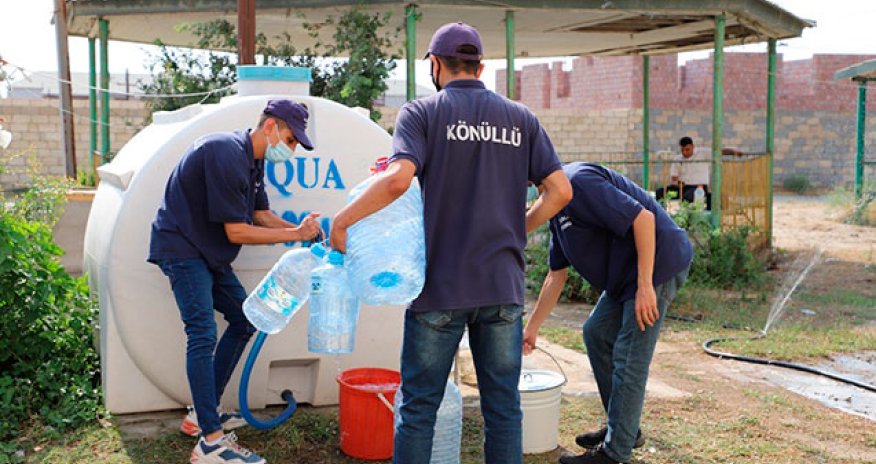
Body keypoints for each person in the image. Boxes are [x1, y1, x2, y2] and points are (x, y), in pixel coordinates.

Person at [329, 22, 572, 464]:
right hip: (502, 287)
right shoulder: (521, 118)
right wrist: (519, 227)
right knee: (503, 409)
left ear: (436, 66)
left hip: (441, 288)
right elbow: (560, 191)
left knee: (419, 408)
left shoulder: (422, 113)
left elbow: (398, 180)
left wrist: (342, 221)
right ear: (480, 67)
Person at [148, 99, 322, 464]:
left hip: (207, 253)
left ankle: (202, 413)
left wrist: (304, 231)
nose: (291, 150)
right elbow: (237, 231)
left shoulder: (253, 162)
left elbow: (260, 215)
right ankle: (210, 442)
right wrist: (293, 233)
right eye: (291, 140)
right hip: (182, 248)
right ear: (271, 126)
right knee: (202, 333)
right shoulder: (224, 152)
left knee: (244, 320)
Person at [523, 162, 692, 464]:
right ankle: (626, 428)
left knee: (630, 354)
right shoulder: (555, 208)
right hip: (623, 278)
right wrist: (531, 328)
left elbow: (643, 219)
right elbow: (555, 275)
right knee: (596, 333)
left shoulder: (578, 182)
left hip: (657, 265)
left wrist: (645, 287)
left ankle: (616, 453)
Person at [655, 136, 743, 209]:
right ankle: (662, 214)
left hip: (699, 187)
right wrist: (678, 184)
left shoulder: (703, 153)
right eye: (683, 150)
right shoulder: (678, 159)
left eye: (687, 149)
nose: (685, 152)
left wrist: (733, 152)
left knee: (688, 197)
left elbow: (720, 152)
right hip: (682, 186)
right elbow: (674, 178)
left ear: (693, 146)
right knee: (660, 192)